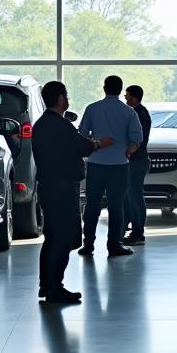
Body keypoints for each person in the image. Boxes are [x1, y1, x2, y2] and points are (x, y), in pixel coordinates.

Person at [31, 80, 114, 304]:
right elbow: (82, 147)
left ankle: (46, 285)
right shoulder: (60, 125)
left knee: (51, 238)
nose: (68, 100)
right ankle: (55, 288)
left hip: (48, 187)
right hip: (63, 189)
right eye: (66, 95)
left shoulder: (41, 124)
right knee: (62, 239)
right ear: (59, 99)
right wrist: (99, 143)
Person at [78, 76, 143, 257]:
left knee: (92, 205)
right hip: (119, 166)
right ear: (120, 90)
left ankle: (88, 245)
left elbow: (82, 134)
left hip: (96, 164)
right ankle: (114, 245)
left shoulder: (92, 108)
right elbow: (137, 138)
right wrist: (128, 150)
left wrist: (96, 142)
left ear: (104, 88)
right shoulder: (129, 112)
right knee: (117, 206)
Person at [123, 84, 152, 245]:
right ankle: (130, 228)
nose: (125, 98)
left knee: (135, 195)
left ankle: (138, 232)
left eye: (127, 96)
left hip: (136, 160)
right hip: (135, 160)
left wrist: (128, 151)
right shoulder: (137, 112)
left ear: (134, 97)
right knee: (130, 195)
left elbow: (138, 139)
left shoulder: (139, 114)